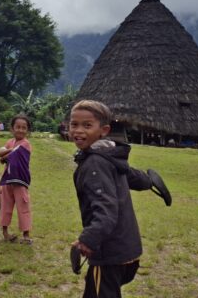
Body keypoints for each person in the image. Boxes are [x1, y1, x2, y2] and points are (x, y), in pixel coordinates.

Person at [69, 100, 145, 298]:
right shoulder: (109, 155)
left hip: (109, 254)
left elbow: (106, 210)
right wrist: (149, 180)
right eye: (74, 124)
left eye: (87, 125)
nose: (78, 130)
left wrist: (87, 240)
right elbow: (130, 174)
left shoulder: (95, 162)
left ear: (103, 130)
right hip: (127, 250)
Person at [0, 114, 33, 244]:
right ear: (12, 129)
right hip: (8, 179)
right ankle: (5, 232)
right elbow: (2, 156)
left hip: (20, 181)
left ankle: (26, 235)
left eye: (24, 128)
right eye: (17, 127)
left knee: (23, 207)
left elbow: (9, 154)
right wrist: (4, 155)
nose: (20, 130)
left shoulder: (26, 144)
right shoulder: (10, 142)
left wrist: (4, 153)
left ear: (27, 131)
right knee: (6, 206)